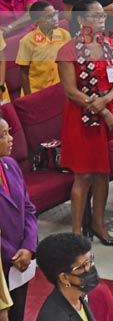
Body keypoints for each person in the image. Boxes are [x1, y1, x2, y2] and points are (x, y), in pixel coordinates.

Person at [57, 0, 113, 245]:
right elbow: (70, 91)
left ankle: (99, 225)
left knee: (103, 174)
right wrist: (102, 110)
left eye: (102, 16)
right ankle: (76, 233)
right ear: (81, 20)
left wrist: (106, 102)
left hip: (109, 110)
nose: (101, 20)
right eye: (96, 16)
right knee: (84, 175)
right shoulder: (68, 50)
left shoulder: (110, 44)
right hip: (82, 116)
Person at [0, 117, 37, 321]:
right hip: (5, 262)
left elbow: (28, 208)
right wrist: (13, 255)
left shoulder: (10, 165)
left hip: (20, 262)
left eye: (9, 132)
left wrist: (29, 246)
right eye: (3, 135)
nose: (10, 138)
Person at [34, 233, 98, 321]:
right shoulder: (53, 317)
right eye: (83, 266)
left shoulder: (80, 295)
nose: (89, 267)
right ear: (64, 278)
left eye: (90, 260)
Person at [16, 1, 70, 96]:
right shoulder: (27, 41)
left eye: (55, 14)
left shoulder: (64, 34)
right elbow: (23, 72)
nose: (55, 19)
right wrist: (29, 97)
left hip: (61, 87)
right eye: (49, 17)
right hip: (38, 91)